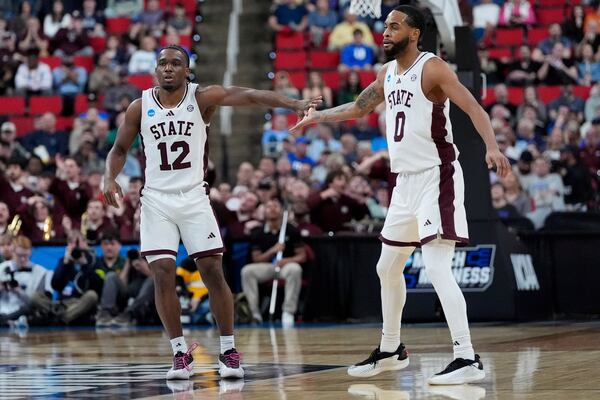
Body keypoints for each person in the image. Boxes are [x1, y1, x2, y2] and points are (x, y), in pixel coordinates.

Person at [291, 5, 510, 385]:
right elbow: (361, 108)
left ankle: (466, 356)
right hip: (404, 183)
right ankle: (391, 350)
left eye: (395, 26)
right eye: (386, 25)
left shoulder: (433, 67)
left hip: (435, 176)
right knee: (386, 267)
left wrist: (491, 146)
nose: (385, 31)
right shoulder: (387, 72)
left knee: (438, 266)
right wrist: (319, 117)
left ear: (414, 33)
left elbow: (474, 107)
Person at [102, 44, 321, 380]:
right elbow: (119, 149)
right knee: (162, 272)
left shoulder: (202, 97)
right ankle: (179, 354)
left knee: (212, 271)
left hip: (193, 197)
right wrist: (109, 177)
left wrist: (293, 103)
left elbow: (247, 95)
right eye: (163, 64)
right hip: (156, 200)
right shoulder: (138, 106)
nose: (169, 69)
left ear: (187, 70)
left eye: (176, 63)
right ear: (155, 70)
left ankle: (229, 350)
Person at [241, 198, 306, 326]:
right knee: (247, 271)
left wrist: (286, 260)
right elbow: (256, 259)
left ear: (281, 210)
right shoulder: (258, 233)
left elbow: (302, 256)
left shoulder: (291, 230)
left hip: (285, 266)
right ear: (264, 211)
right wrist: (273, 250)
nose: (272, 209)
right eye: (269, 206)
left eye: (275, 206)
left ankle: (288, 312)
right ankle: (254, 313)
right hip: (267, 266)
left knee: (295, 269)